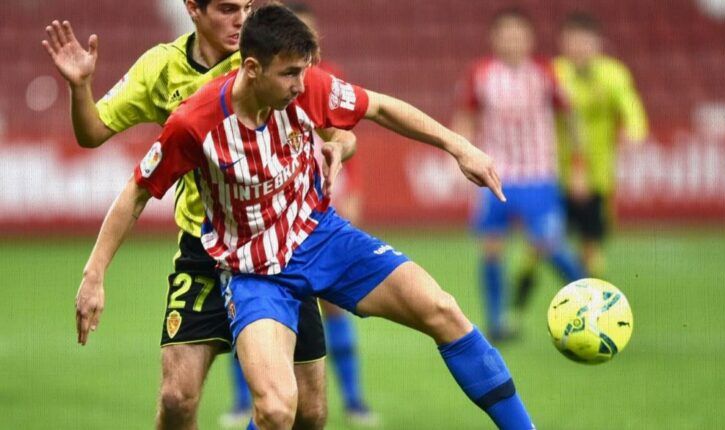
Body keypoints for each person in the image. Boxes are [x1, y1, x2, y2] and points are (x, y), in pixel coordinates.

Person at [74, 4, 534, 430]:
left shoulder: (307, 86)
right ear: (251, 70)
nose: (301, 84)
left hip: (320, 237)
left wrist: (460, 147)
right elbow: (137, 189)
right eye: (290, 74)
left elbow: (379, 106)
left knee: (443, 310)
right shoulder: (194, 123)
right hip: (254, 271)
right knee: (276, 411)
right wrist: (94, 275)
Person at [42, 1, 346, 428]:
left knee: (309, 414)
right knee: (176, 399)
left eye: (245, 6)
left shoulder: (269, 61)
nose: (240, 19)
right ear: (192, 9)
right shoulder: (162, 69)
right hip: (205, 251)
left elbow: (339, 129)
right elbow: (93, 133)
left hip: (277, 249)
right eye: (226, 8)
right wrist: (80, 87)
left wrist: (337, 148)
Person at [221, 2, 378, 427]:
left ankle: (356, 399)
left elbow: (343, 138)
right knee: (257, 327)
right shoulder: (259, 91)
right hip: (264, 229)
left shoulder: (316, 86)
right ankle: (243, 402)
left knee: (334, 313)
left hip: (315, 215)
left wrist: (352, 190)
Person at [452, 8, 587, 341]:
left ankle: (591, 303)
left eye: (518, 34)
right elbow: (465, 118)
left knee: (550, 245)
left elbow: (571, 119)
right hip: (494, 174)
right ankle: (496, 322)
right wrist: (460, 155)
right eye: (505, 34)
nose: (512, 40)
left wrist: (580, 166)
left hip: (538, 175)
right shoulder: (480, 73)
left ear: (529, 39)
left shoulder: (546, 73)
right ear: (494, 38)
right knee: (492, 248)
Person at [513, 12, 649, 313]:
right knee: (538, 244)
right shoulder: (553, 74)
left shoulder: (613, 75)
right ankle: (514, 312)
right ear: (564, 43)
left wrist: (634, 132)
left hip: (596, 178)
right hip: (551, 175)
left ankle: (598, 309)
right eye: (574, 41)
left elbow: (632, 110)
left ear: (597, 44)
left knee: (591, 247)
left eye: (586, 41)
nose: (580, 48)